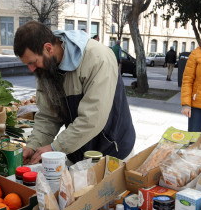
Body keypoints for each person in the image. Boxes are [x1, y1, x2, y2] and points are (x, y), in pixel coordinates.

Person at [14, 21, 135, 164]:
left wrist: (55, 147)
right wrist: (33, 146)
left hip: (113, 153)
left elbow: (92, 118)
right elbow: (48, 116)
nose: (31, 69)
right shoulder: (46, 69)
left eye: (33, 62)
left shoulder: (98, 58)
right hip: (76, 152)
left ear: (48, 49)